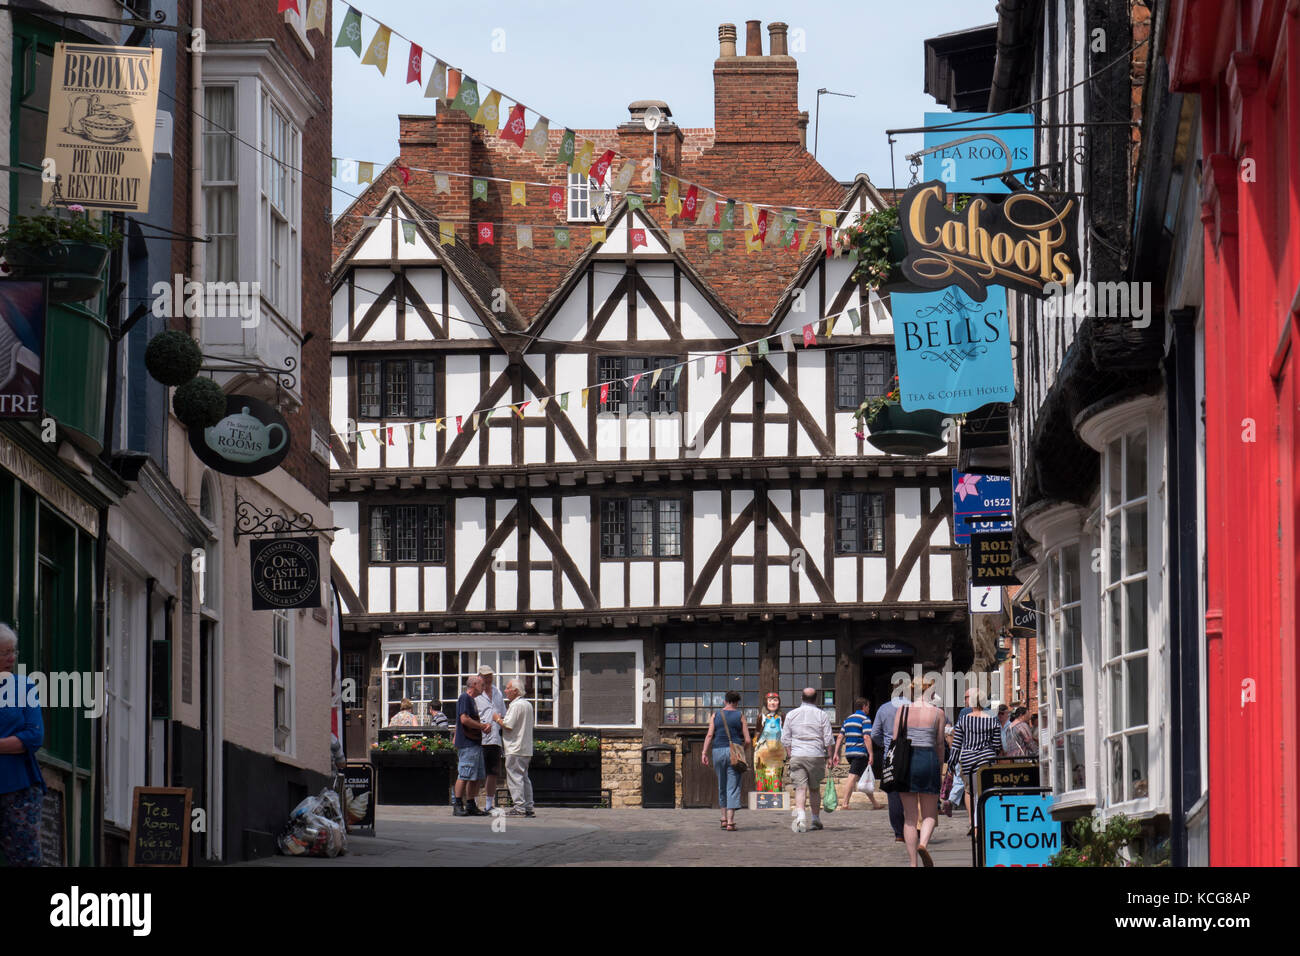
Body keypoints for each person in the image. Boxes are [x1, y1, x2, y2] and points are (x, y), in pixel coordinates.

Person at [0, 623, 45, 866]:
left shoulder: (23, 686)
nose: (11, 658)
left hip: (19, 787)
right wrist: (12, 743)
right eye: (4, 653)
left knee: (25, 859)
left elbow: (34, 736)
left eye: (13, 651)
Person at [893, 678, 945, 866]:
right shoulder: (938, 713)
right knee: (929, 814)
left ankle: (913, 862)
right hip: (928, 759)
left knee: (909, 817)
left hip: (906, 762)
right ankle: (923, 844)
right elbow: (940, 743)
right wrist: (939, 767)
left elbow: (895, 739)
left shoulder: (902, 710)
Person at [781, 687, 834, 832]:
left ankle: (801, 818)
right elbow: (828, 738)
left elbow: (785, 738)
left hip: (797, 754)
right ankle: (815, 819)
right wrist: (830, 756)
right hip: (816, 754)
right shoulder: (822, 715)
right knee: (814, 789)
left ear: (801, 698)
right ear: (816, 699)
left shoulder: (791, 714)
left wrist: (790, 753)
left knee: (800, 788)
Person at [951, 687, 1003, 834]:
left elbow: (956, 745)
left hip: (968, 760)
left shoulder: (963, 720)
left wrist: (951, 765)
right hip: (986, 760)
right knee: (984, 792)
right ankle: (980, 825)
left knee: (973, 793)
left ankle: (975, 825)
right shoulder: (992, 719)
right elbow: (997, 744)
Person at [702, 690, 751, 830]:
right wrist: (741, 750)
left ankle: (723, 818)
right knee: (733, 786)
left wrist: (704, 752)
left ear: (724, 701)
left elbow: (709, 735)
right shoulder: (740, 716)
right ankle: (730, 821)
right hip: (733, 751)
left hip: (717, 751)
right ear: (737, 702)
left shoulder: (716, 715)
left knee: (722, 784)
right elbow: (748, 740)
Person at [494, 678, 535, 817]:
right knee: (524, 778)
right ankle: (528, 807)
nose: (505, 691)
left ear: (515, 691)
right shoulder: (528, 704)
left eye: (508, 688)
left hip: (515, 747)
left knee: (515, 778)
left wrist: (497, 719)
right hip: (525, 747)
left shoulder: (516, 705)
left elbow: (508, 725)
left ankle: (519, 807)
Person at [452, 676, 491, 817]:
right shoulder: (465, 698)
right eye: (482, 684)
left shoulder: (472, 700)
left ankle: (470, 804)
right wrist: (482, 726)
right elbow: (464, 719)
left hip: (475, 742)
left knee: (475, 776)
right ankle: (457, 804)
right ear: (474, 684)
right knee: (464, 773)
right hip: (467, 743)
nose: (484, 687)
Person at [871, 694, 907, 843]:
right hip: (910, 752)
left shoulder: (884, 708)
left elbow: (874, 734)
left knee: (894, 794)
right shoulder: (914, 707)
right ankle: (914, 827)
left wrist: (885, 745)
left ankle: (899, 832)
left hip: (891, 755)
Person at [835, 697, 881, 810]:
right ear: (864, 707)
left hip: (849, 753)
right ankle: (845, 803)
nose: (869, 709)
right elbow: (866, 737)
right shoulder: (865, 719)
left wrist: (836, 752)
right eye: (868, 706)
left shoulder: (848, 719)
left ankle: (875, 803)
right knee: (852, 777)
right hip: (860, 753)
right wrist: (871, 754)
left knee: (864, 778)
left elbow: (840, 736)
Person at [476, 665, 507, 812]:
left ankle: (489, 804)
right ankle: (473, 802)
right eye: (485, 676)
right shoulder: (475, 695)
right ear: (479, 677)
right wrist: (481, 725)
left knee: (492, 772)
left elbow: (503, 713)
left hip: (495, 738)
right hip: (479, 739)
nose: (488, 679)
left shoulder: (497, 692)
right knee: (477, 773)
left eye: (490, 676)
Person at [752, 692, 785, 793]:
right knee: (761, 774)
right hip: (763, 750)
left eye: (775, 700)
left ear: (779, 702)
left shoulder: (781, 716)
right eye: (770, 700)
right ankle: (762, 797)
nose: (772, 703)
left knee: (775, 775)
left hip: (777, 752)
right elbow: (757, 731)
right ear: (766, 702)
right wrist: (755, 742)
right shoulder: (761, 716)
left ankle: (774, 797)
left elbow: (785, 731)